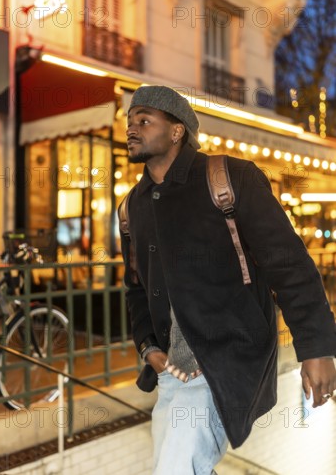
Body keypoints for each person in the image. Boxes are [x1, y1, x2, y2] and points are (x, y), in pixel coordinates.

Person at [118, 85, 336, 474]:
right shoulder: (133, 205)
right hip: (172, 373)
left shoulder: (229, 177)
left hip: (227, 361)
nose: (132, 128)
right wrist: (148, 345)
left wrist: (316, 348)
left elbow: (289, 264)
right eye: (130, 121)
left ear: (176, 131)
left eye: (144, 120)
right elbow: (135, 286)